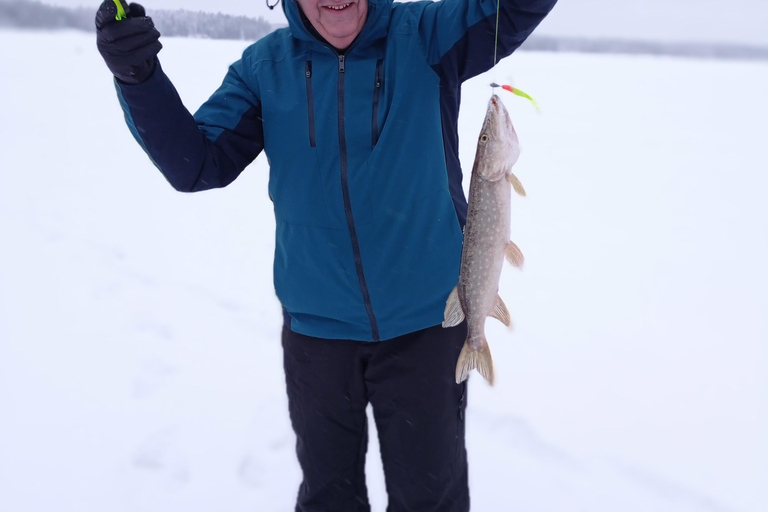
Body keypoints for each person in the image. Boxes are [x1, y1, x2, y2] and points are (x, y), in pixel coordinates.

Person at [95, 0, 557, 509]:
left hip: (427, 325)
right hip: (317, 335)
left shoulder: (424, 36)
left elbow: (513, 9)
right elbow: (196, 164)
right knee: (327, 497)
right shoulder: (262, 71)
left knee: (432, 498)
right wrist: (138, 78)